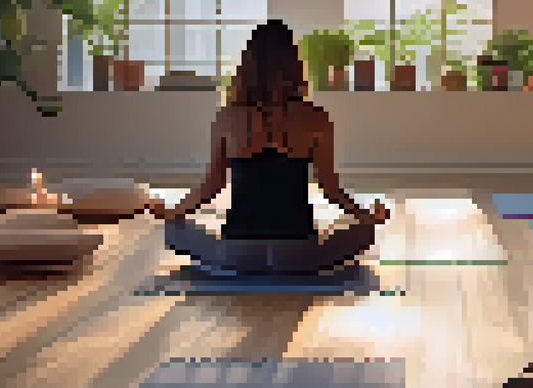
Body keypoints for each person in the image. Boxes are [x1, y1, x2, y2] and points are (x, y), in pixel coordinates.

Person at [152, 19, 390, 275]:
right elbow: (331, 190)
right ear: (295, 66)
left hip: (238, 253)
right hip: (298, 254)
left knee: (173, 231)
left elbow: (212, 186)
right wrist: (365, 216)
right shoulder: (316, 118)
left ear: (247, 66)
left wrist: (173, 212)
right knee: (364, 233)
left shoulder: (227, 118)